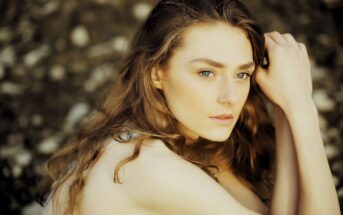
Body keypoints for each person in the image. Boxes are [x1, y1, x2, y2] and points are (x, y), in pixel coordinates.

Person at [37, 0, 340, 214]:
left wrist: (286, 107)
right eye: (206, 73)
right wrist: (303, 109)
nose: (231, 96)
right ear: (157, 72)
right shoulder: (143, 165)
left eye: (241, 74)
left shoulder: (187, 138)